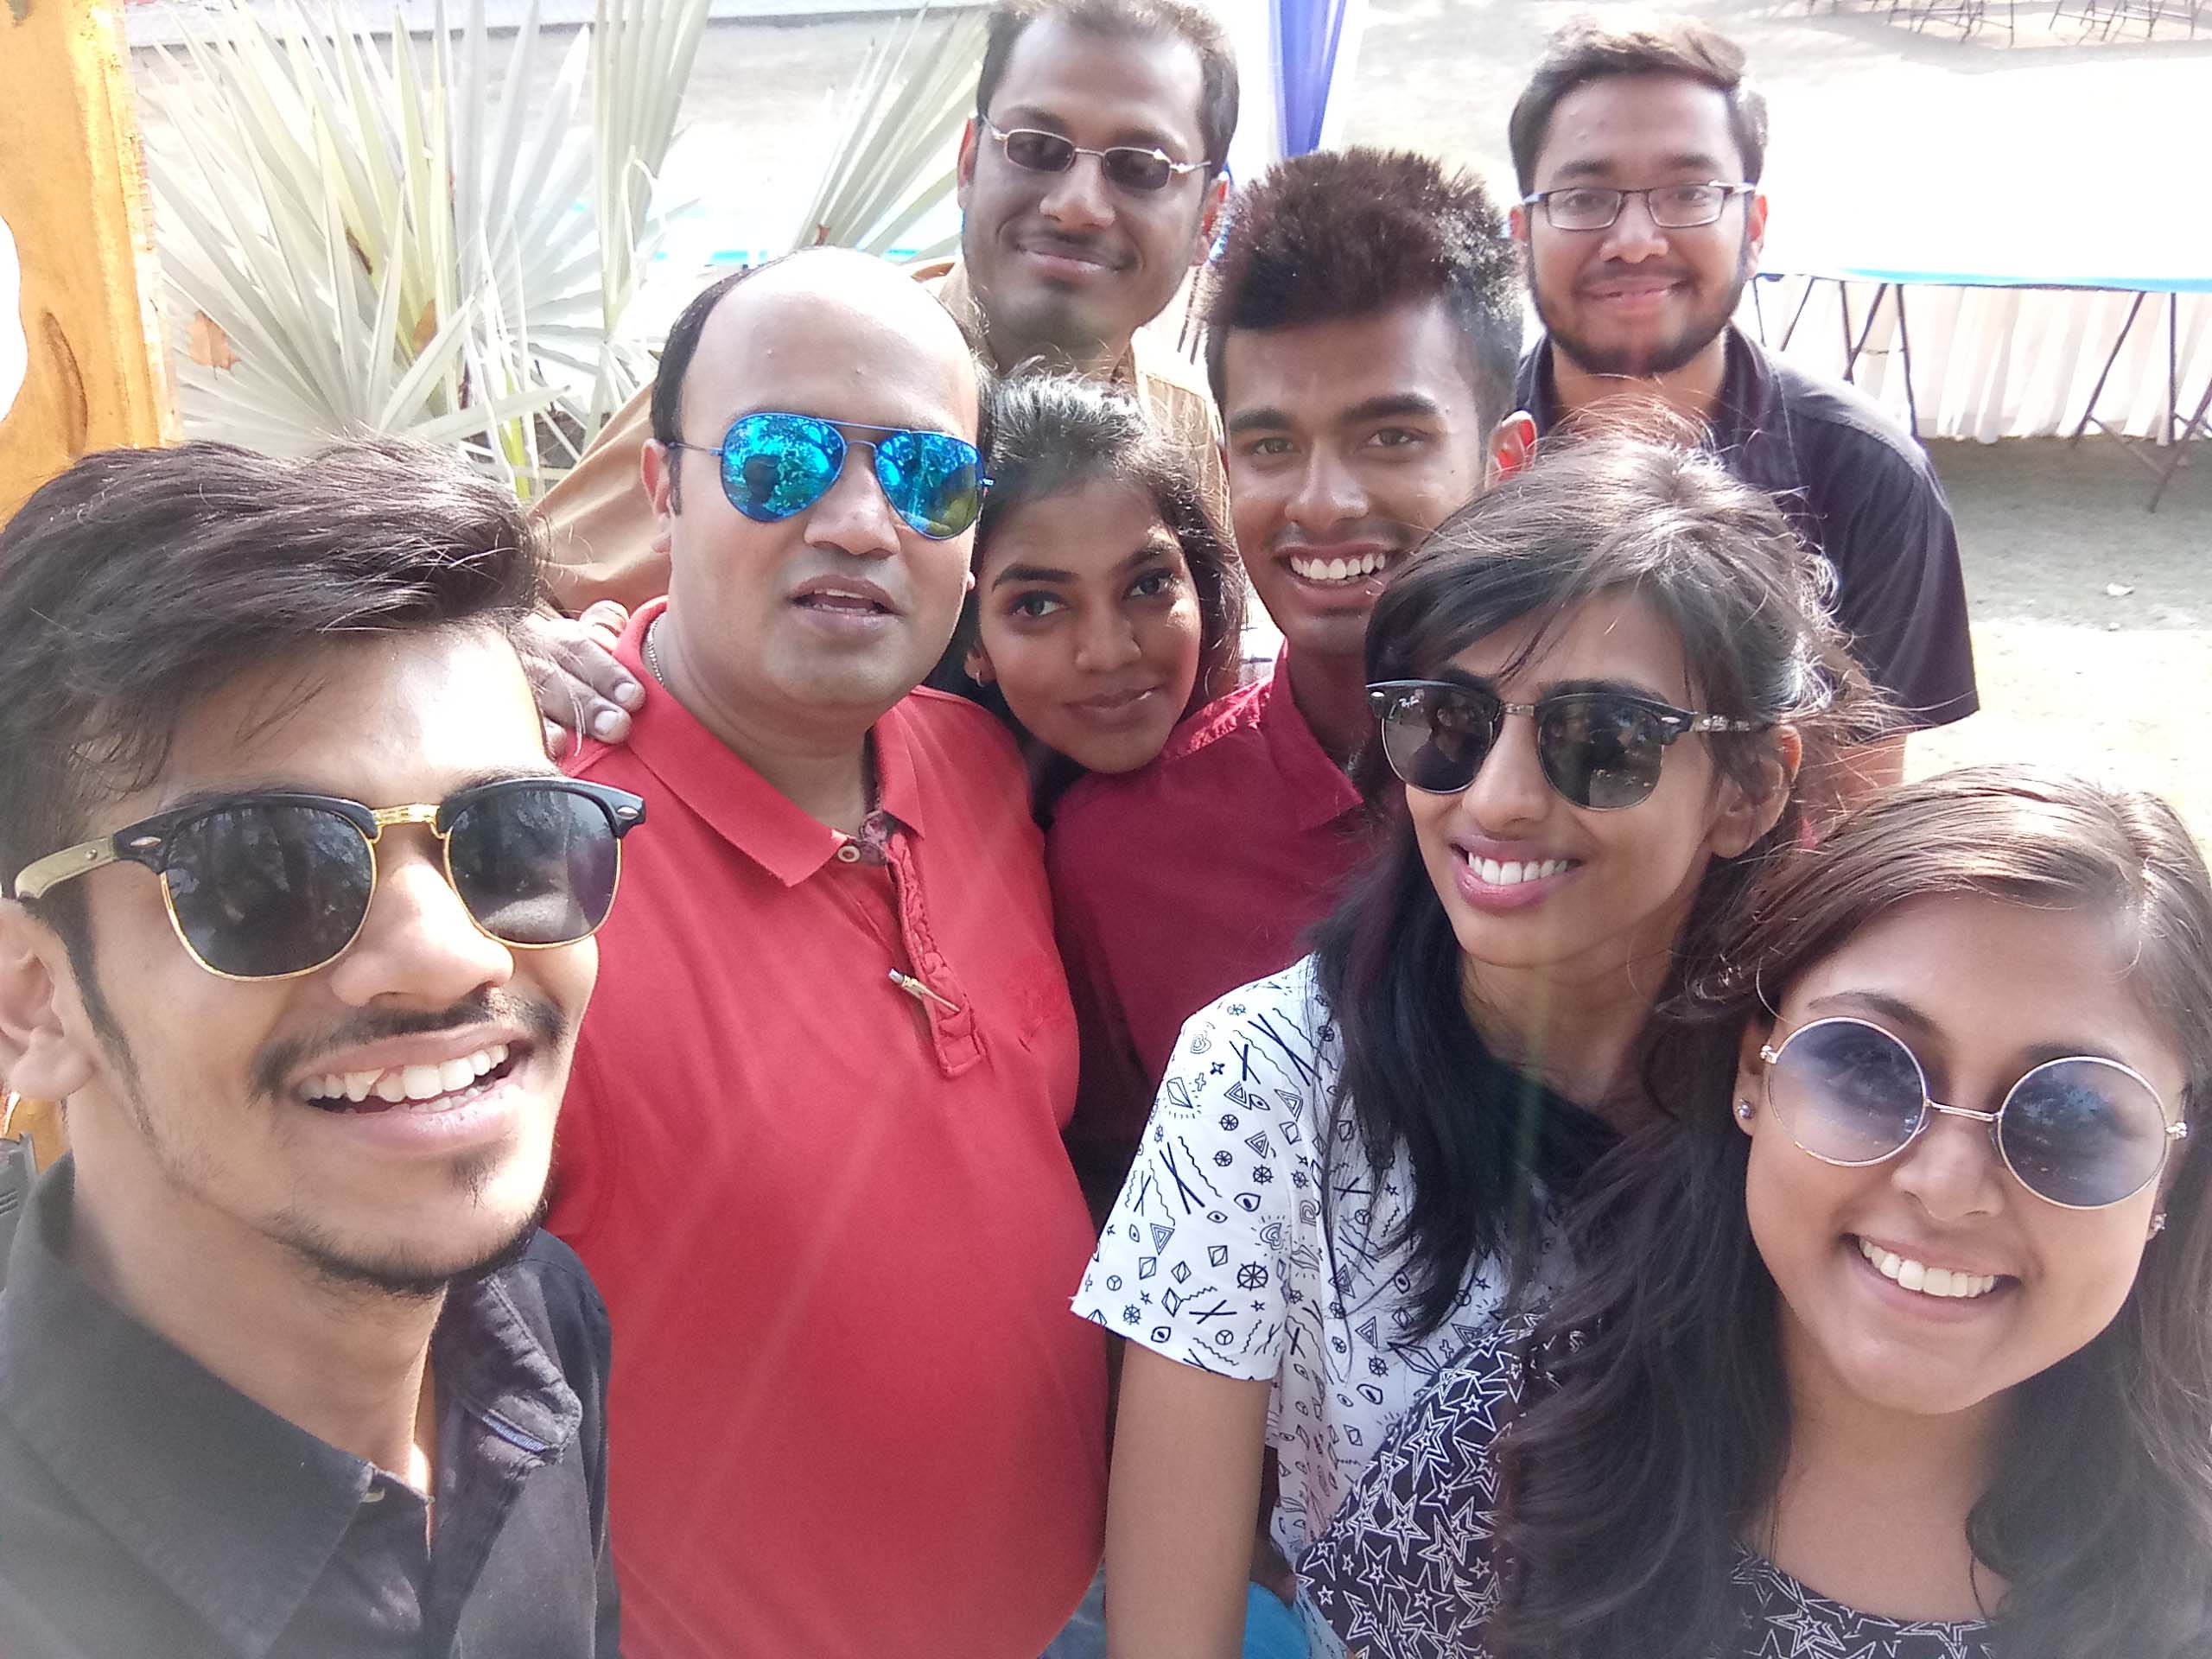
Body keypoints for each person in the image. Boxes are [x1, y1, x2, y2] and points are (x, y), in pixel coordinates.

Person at [1077, 430, 1878, 1658]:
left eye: (1602, 737)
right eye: (1446, 721)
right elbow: (1167, 1629)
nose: (1496, 798)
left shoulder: (1843, 1093)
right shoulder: (1264, 1085)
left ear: (1751, 789)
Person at [1303, 767, 2212, 1659]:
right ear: (1754, 1071)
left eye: (2070, 1117)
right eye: (1868, 1067)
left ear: (2171, 1171)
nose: (1945, 1187)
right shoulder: (1508, 1456)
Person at [547, 248, 1106, 1659]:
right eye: (781, 458)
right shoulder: (524, 873)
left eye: (928, 477)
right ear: (664, 489)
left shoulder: (982, 763)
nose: (861, 522)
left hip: (1087, 1604)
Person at [0, 440, 636, 1657]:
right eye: (267, 870)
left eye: (512, 837)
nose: (450, 955)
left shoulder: (541, 1328)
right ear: (33, 1000)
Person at [529, 0, 1238, 741]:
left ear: (1209, 218)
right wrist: (518, 647)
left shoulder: (1187, 422)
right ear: (970, 162)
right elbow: (521, 596)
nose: (1077, 206)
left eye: (1140, 169)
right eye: (1036, 148)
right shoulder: (794, 364)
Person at [1046, 146, 1528, 1167]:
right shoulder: (1120, 853)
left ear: (1505, 461)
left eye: (1389, 438)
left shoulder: (1609, 793)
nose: (1321, 503)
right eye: (1271, 447)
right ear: (1225, 467)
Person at [1509, 16, 1977, 779]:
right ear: (1522, 232)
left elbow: (1858, 798)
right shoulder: (1449, 447)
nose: (1635, 240)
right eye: (1585, 198)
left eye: (1689, 193)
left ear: (1754, 228)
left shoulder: (1866, 474)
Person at [929, 370, 1244, 804]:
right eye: (1038, 606)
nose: (1109, 654)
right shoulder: (902, 816)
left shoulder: (1294, 758)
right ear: (971, 641)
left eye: (1149, 585)